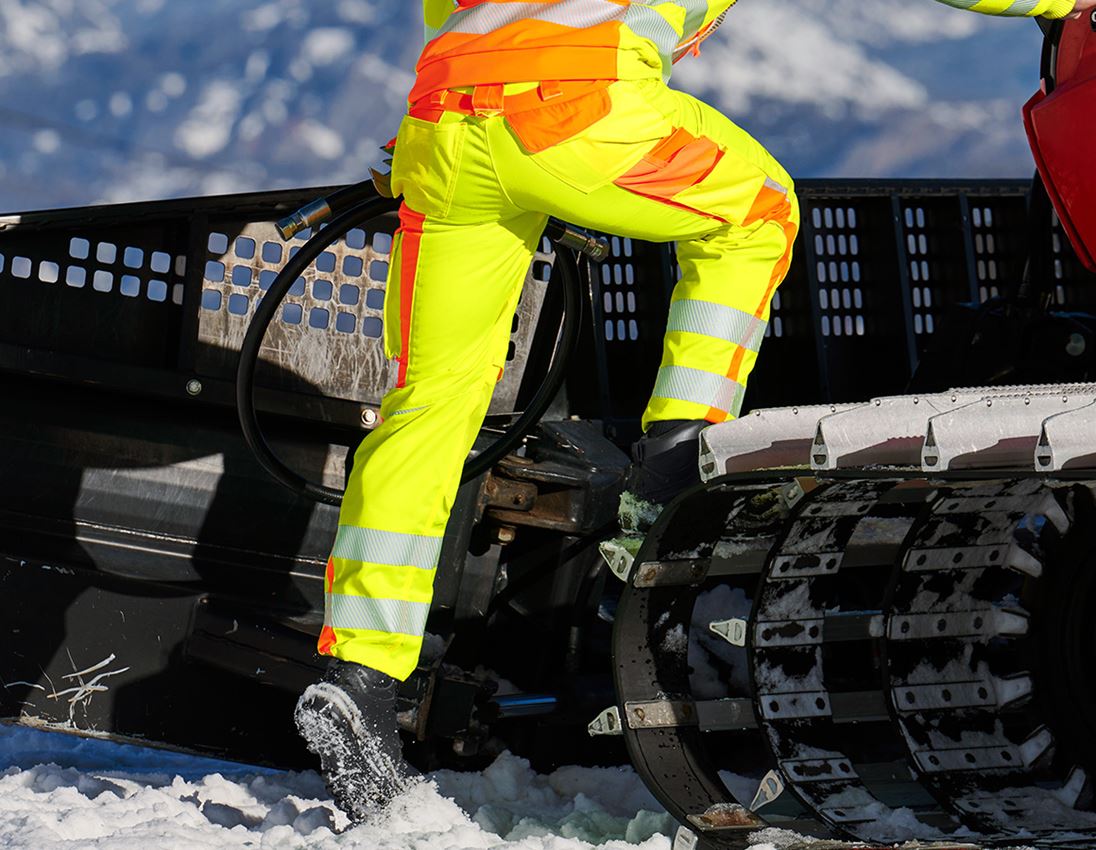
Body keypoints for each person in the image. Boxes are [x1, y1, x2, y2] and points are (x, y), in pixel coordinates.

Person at [295, 0, 1094, 823]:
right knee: (759, 213)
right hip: (578, 110)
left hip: (442, 129)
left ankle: (358, 674)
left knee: (427, 405)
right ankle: (672, 474)